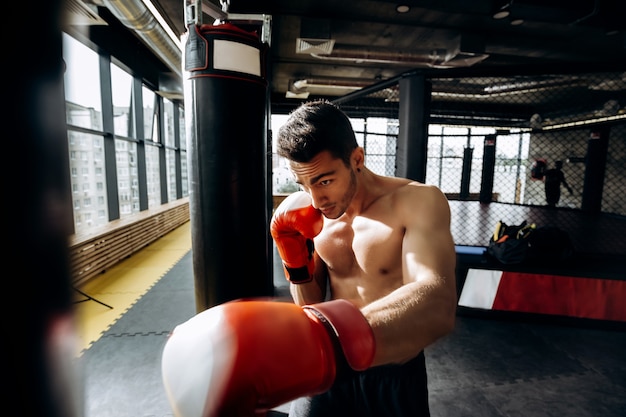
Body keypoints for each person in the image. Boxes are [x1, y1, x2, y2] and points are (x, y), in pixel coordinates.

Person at [271, 99, 457, 417]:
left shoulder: (416, 202)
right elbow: (308, 304)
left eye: (325, 180)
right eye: (304, 183)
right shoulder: (307, 211)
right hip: (329, 365)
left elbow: (435, 295)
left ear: (357, 159)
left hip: (392, 368)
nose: (316, 199)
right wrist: (293, 257)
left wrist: (333, 335)